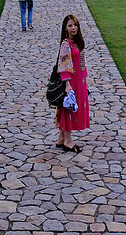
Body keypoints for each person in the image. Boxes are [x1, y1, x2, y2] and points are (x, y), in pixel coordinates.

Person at [54, 14, 90, 152]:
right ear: (65, 28)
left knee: (68, 106)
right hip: (71, 81)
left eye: (75, 25)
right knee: (69, 107)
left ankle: (61, 137)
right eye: (70, 26)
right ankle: (68, 140)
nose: (73, 28)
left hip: (80, 80)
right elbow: (64, 64)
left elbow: (82, 62)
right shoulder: (66, 44)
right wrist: (67, 84)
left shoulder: (78, 42)